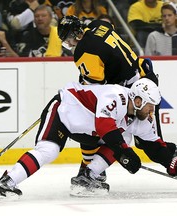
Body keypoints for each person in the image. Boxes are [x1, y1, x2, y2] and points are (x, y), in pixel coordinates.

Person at [0, 78, 177, 199]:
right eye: (150, 106)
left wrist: (176, 165)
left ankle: (88, 176)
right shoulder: (115, 95)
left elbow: (157, 148)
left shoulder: (141, 118)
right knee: (49, 151)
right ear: (137, 100)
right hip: (63, 113)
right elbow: (104, 126)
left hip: (87, 130)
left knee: (123, 136)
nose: (152, 112)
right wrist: (126, 154)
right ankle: (6, 183)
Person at [57, 15, 162, 184]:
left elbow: (96, 86)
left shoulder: (83, 51)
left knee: (96, 129)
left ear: (75, 35)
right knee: (149, 144)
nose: (68, 44)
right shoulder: (99, 25)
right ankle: (93, 170)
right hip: (143, 82)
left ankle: (92, 171)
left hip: (131, 97)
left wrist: (82, 86)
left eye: (67, 39)